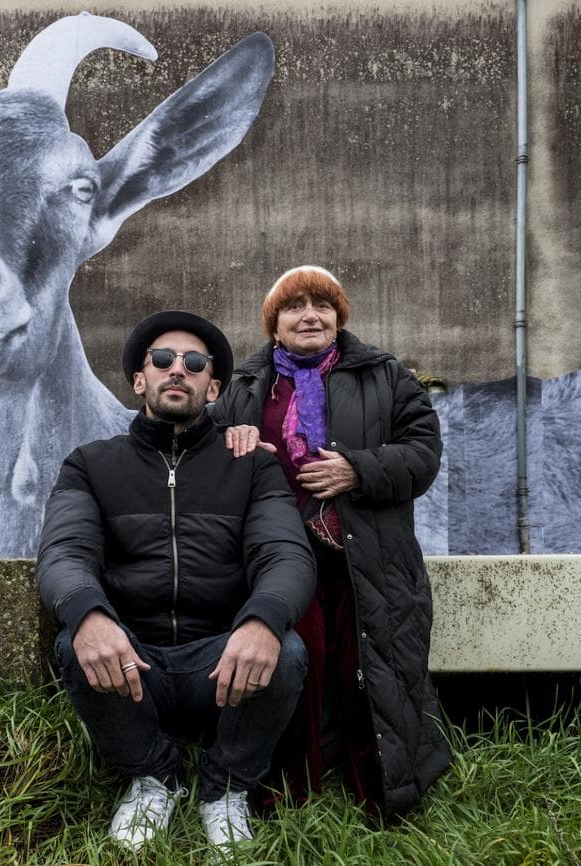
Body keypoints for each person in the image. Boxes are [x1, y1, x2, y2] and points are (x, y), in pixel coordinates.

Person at [37, 310, 316, 854]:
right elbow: (64, 551)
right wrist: (89, 614)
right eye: (162, 360)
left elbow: (285, 552)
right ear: (141, 381)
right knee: (74, 642)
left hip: (221, 660)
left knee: (286, 650)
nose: (176, 370)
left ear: (213, 387)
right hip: (132, 659)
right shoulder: (91, 465)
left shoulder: (253, 467)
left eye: (194, 363)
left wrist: (262, 621)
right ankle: (154, 777)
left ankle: (225, 787)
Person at [214, 265, 451, 819]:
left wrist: (358, 469)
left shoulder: (384, 374)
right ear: (274, 324)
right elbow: (205, 459)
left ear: (339, 317)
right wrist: (233, 443)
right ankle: (291, 794)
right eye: (294, 306)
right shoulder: (246, 386)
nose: (310, 315)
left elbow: (424, 453)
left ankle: (385, 793)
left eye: (323, 304)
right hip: (276, 560)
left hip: (367, 554)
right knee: (297, 663)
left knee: (369, 666)